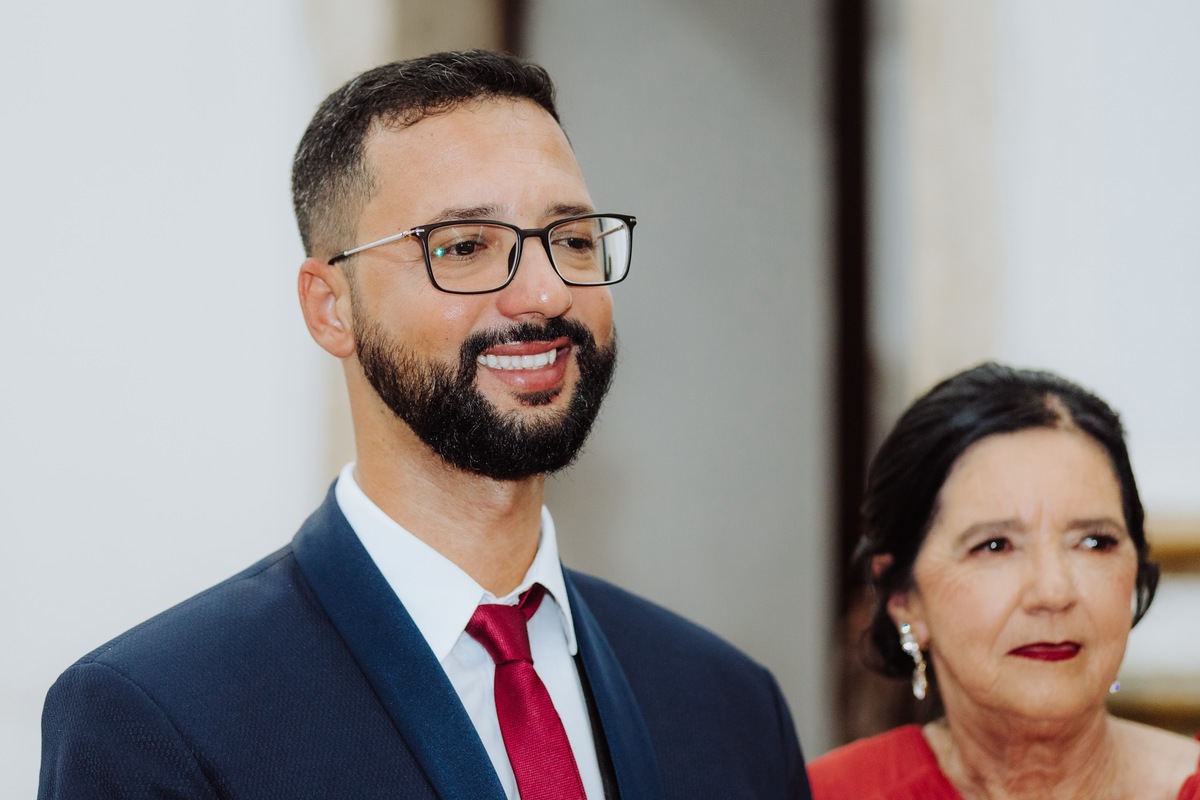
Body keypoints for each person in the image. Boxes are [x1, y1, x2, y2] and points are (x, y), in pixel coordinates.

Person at [37, 50, 810, 800]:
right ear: (330, 306)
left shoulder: (729, 706)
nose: (544, 293)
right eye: (467, 247)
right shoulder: (160, 718)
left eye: (572, 240)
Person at [809, 362, 1200, 799]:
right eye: (995, 546)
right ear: (904, 597)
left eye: (1094, 542)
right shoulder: (827, 793)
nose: (1054, 592)